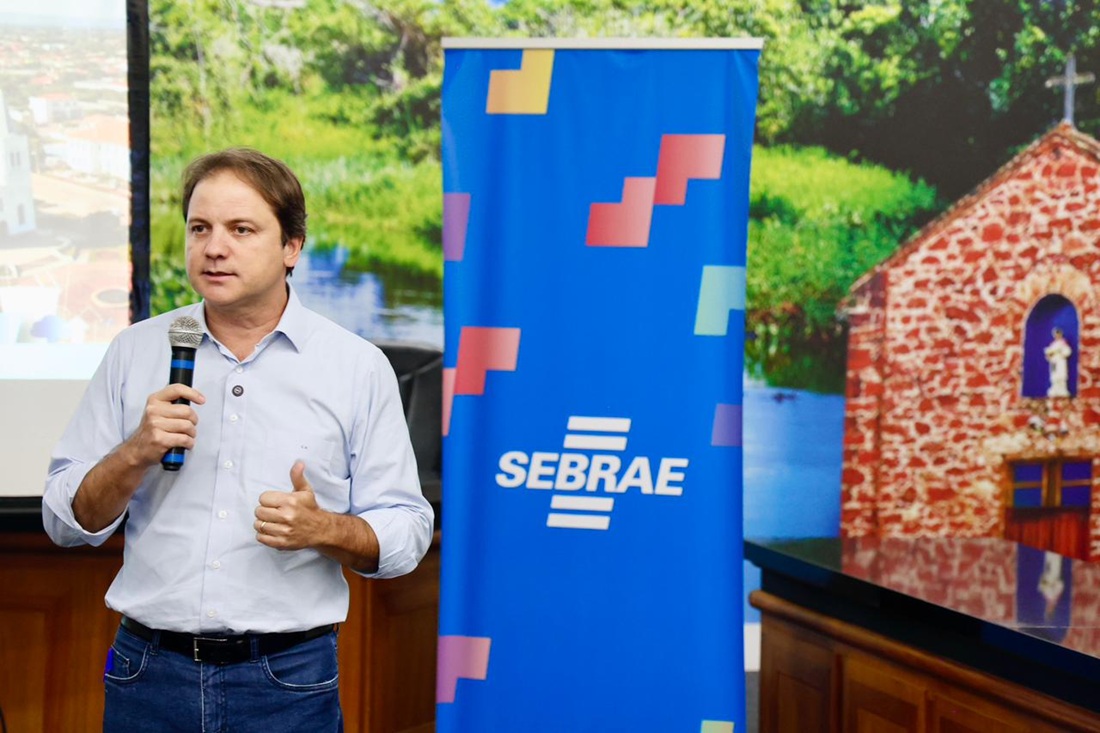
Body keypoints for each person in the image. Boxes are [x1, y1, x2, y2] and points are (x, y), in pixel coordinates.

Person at [42, 148, 434, 732]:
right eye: (199, 228)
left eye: (240, 230)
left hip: (287, 680)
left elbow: (407, 529)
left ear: (292, 246)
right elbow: (64, 522)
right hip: (146, 672)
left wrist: (324, 529)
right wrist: (134, 452)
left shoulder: (356, 366)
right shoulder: (135, 350)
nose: (213, 248)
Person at [1045, 327, 1072, 398]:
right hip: (1054, 362)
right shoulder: (1053, 344)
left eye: (1058, 334)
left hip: (1061, 362)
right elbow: (1048, 354)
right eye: (1056, 334)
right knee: (1054, 377)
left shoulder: (1063, 343)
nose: (1057, 336)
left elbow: (1067, 352)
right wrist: (1049, 354)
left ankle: (1062, 390)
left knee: (1061, 376)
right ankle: (1054, 389)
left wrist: (1060, 352)